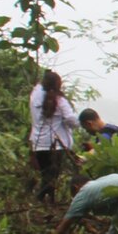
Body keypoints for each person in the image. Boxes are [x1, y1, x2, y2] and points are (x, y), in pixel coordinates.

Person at [28, 70, 80, 202]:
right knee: (51, 178)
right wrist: (79, 123)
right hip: (55, 146)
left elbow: (39, 86)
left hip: (38, 145)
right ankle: (41, 199)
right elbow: (71, 119)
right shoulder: (59, 100)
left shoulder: (34, 96)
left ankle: (48, 202)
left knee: (46, 174)